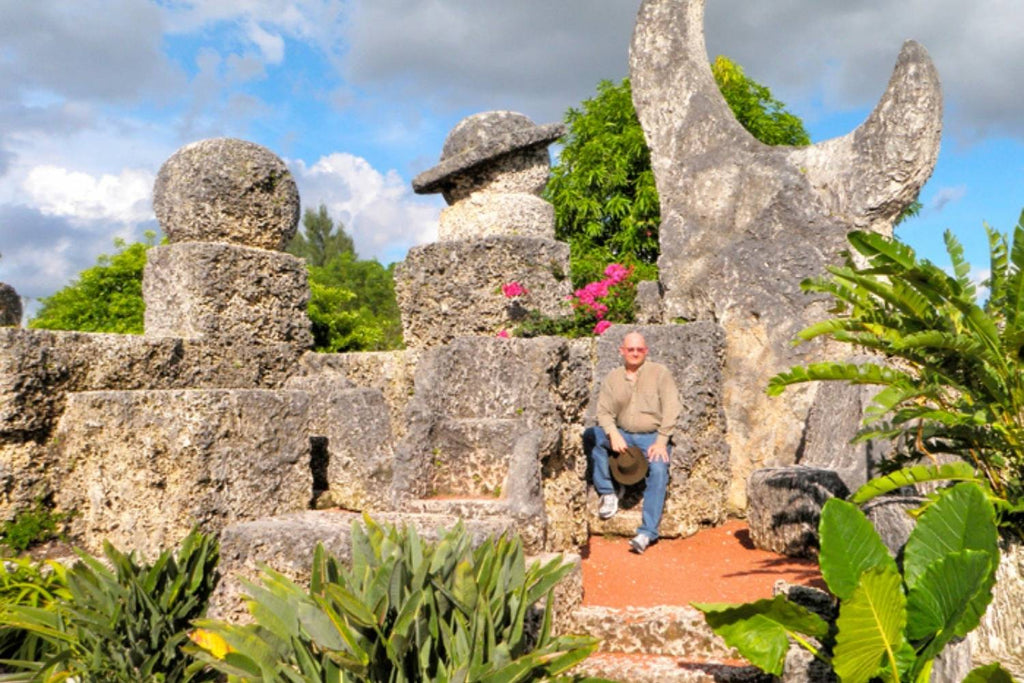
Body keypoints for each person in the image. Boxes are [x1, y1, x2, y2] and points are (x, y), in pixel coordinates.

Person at [590, 331, 680, 554]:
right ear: (622, 351)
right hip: (622, 432)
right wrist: (613, 433)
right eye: (630, 349)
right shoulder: (613, 377)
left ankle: (647, 532)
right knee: (592, 437)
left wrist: (661, 441)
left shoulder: (660, 373)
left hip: (651, 436)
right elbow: (603, 412)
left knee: (659, 469)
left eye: (639, 349)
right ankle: (608, 492)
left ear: (646, 351)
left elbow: (672, 407)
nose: (635, 353)